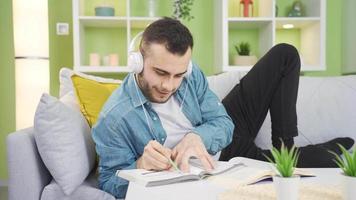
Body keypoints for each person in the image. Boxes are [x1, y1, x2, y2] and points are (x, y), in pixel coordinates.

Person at [92, 17, 354, 199]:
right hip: (225, 164)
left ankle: (285, 148)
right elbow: (109, 183)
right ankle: (293, 158)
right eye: (160, 72)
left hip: (223, 139)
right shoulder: (114, 119)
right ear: (138, 61)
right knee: (327, 162)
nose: (168, 85)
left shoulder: (192, 76)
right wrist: (139, 164)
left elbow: (224, 124)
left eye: (178, 75)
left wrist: (198, 137)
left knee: (285, 53)